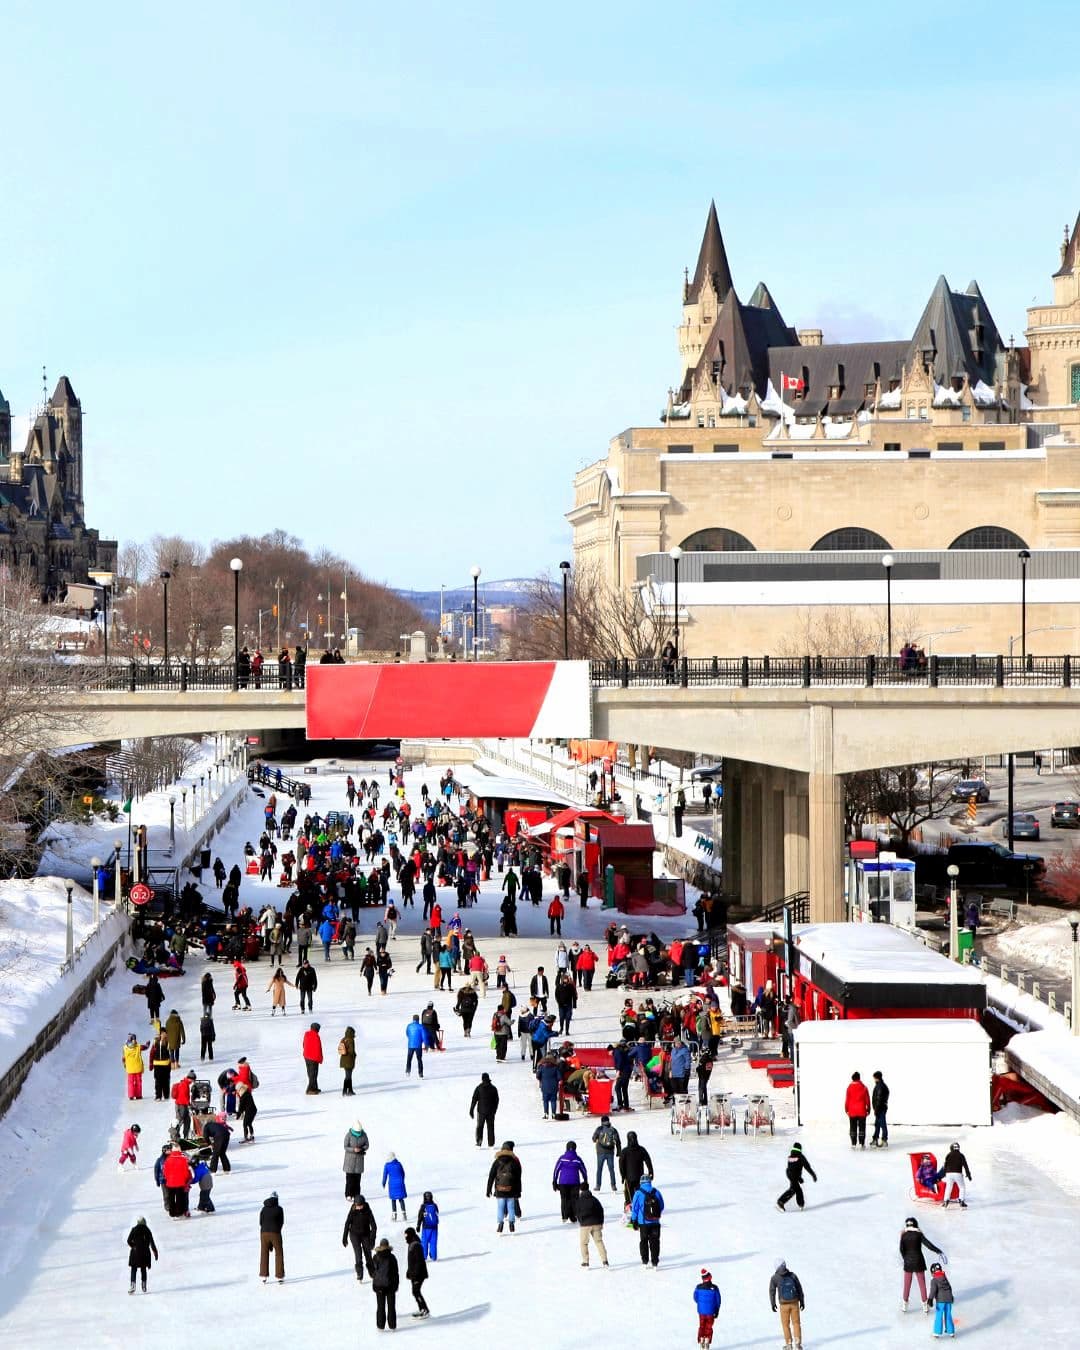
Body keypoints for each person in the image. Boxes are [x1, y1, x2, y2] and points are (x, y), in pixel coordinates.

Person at [900, 1216, 945, 1313]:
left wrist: (906, 1258)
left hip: (908, 1263)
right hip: (919, 1261)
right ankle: (925, 1305)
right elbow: (928, 1245)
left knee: (907, 1284)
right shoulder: (918, 1234)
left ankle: (904, 1305)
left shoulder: (903, 1235)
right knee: (922, 1284)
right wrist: (938, 1251)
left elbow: (901, 1250)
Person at [486, 1140, 522, 1233]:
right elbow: (518, 1178)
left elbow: (491, 1176)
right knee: (511, 1207)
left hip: (499, 1189)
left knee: (500, 1207)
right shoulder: (514, 1161)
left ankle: (500, 1225)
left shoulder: (497, 1161)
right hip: (511, 1189)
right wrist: (518, 1191)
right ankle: (511, 1224)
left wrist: (488, 1189)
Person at [769, 1259, 805, 1350]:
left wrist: (773, 1304)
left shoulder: (775, 1278)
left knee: (785, 1325)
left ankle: (789, 1345)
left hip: (783, 1304)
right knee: (796, 1323)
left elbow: (772, 1291)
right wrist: (802, 1301)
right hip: (794, 1303)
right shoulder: (793, 1275)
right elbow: (799, 1288)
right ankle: (798, 1344)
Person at [629, 1175, 664, 1267]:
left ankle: (645, 1261)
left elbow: (635, 1208)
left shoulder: (638, 1193)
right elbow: (662, 1205)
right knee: (655, 1241)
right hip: (655, 1222)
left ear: (641, 1182)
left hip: (643, 1223)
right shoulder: (656, 1191)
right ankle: (655, 1262)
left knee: (644, 1241)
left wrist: (633, 1220)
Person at [343, 1193, 378, 1281]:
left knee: (368, 1254)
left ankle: (372, 1271)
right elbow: (347, 1223)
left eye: (360, 1206)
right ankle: (359, 1273)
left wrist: (372, 1239)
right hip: (354, 1235)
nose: (358, 1207)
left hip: (365, 1234)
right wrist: (344, 1237)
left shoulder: (367, 1210)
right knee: (358, 1254)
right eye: (357, 1205)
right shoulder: (353, 1210)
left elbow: (374, 1226)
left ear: (363, 1204)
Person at [576, 1181, 608, 1268]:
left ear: (580, 1190)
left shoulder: (579, 1200)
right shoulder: (594, 1199)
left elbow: (577, 1213)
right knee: (599, 1242)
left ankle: (586, 1262)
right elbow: (601, 1210)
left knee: (584, 1243)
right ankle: (605, 1261)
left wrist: (581, 1221)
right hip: (596, 1223)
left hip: (585, 1225)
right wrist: (601, 1222)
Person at [553, 1141, 587, 1222]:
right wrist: (585, 1180)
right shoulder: (577, 1159)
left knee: (564, 1198)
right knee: (574, 1199)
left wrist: (554, 1181)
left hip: (563, 1182)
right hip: (575, 1182)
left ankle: (564, 1216)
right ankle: (573, 1216)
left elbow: (556, 1170)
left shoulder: (562, 1158)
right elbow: (583, 1170)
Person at [776, 1142, 817, 1212]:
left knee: (796, 1189)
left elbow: (793, 1168)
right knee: (795, 1190)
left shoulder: (790, 1156)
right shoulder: (801, 1156)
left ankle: (800, 1204)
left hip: (789, 1174)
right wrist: (813, 1175)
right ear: (800, 1149)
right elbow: (807, 1167)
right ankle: (781, 1202)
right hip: (793, 1175)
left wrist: (799, 1178)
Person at [371, 1237, 399, 1330]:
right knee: (391, 1307)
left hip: (379, 1286)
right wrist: (396, 1285)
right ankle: (392, 1325)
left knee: (380, 1306)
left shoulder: (375, 1257)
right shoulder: (392, 1257)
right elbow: (396, 1272)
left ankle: (380, 1325)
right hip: (390, 1286)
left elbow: (372, 1272)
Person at [619, 1130, 654, 1206]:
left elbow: (621, 1164)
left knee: (629, 1195)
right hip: (640, 1177)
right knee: (640, 1193)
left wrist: (622, 1175)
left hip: (629, 1178)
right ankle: (639, 1206)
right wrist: (651, 1172)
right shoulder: (641, 1149)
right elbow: (648, 1161)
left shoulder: (625, 1151)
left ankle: (630, 1206)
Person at [126, 1217, 158, 1294]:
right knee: (143, 1268)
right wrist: (155, 1252)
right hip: (145, 1252)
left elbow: (128, 1240)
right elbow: (152, 1242)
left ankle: (132, 1285)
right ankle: (144, 1285)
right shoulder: (147, 1230)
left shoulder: (134, 1229)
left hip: (135, 1253)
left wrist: (134, 1246)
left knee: (134, 1268)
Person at [404, 1226, 430, 1318]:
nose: (405, 1237)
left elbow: (419, 1262)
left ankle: (425, 1310)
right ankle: (422, 1309)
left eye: (406, 1235)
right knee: (415, 1292)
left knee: (416, 1291)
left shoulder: (415, 1245)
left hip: (419, 1274)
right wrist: (409, 1271)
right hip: (415, 1273)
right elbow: (412, 1261)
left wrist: (415, 1275)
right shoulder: (412, 1244)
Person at [259, 1191, 285, 1283]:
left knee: (264, 1253)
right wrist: (277, 1230)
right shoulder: (279, 1209)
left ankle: (263, 1276)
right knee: (279, 1253)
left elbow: (260, 1222)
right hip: (275, 1232)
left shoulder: (263, 1209)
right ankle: (279, 1276)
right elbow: (281, 1222)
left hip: (264, 1233)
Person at [591, 1115, 621, 1192]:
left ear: (601, 1122)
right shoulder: (613, 1130)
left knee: (599, 1169)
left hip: (600, 1152)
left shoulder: (599, 1129)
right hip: (610, 1152)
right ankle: (613, 1185)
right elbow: (618, 1141)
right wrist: (619, 1152)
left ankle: (598, 1186)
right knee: (611, 1169)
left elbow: (594, 1139)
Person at [470, 1072, 499, 1147]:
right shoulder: (493, 1088)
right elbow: (497, 1100)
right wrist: (494, 1110)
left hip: (481, 1112)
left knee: (480, 1127)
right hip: (491, 1112)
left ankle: (479, 1142)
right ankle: (491, 1144)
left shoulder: (479, 1088)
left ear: (482, 1079)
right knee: (490, 1127)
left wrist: (471, 1110)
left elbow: (474, 1099)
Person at [693, 1269, 721, 1348]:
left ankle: (701, 1340)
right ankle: (707, 1341)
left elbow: (695, 1298)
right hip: (711, 1312)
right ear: (710, 1277)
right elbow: (718, 1300)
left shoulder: (698, 1287)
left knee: (702, 1325)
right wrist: (717, 1310)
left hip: (701, 1311)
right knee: (709, 1326)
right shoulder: (715, 1288)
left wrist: (701, 1304)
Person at [939, 1142, 972, 1207]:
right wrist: (968, 1174)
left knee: (948, 1187)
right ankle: (961, 1201)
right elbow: (965, 1165)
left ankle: (946, 1201)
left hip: (949, 1174)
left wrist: (945, 1173)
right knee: (962, 1187)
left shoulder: (948, 1155)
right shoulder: (961, 1155)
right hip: (957, 1173)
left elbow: (945, 1165)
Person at [927, 1261, 955, 1338]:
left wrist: (930, 1299)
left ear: (933, 1272)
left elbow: (933, 1290)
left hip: (941, 1301)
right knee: (948, 1315)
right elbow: (949, 1287)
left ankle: (937, 1332)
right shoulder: (944, 1278)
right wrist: (951, 1296)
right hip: (948, 1300)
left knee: (939, 1316)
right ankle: (951, 1331)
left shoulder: (934, 1280)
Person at [162, 1145, 192, 1218]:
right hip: (180, 1182)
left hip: (170, 1183)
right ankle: (179, 1213)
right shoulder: (183, 1159)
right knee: (179, 1198)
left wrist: (168, 1178)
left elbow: (165, 1171)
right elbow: (186, 1172)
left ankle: (172, 1213)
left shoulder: (168, 1159)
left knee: (171, 1198)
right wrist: (185, 1179)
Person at [343, 1119, 370, 1198]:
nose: (358, 1133)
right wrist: (353, 1149)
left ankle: (356, 1195)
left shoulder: (364, 1135)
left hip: (359, 1161)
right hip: (349, 1161)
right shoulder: (348, 1135)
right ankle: (348, 1194)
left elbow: (367, 1145)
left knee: (357, 1180)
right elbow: (345, 1146)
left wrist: (361, 1149)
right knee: (349, 1180)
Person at [845, 1071, 871, 1148]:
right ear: (859, 1078)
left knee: (853, 1126)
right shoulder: (864, 1087)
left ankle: (853, 1143)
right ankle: (861, 1143)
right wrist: (868, 1109)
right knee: (862, 1127)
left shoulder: (849, 1087)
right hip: (862, 1111)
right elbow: (867, 1099)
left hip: (852, 1111)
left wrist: (846, 1109)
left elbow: (847, 1099)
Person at [122, 1034, 149, 1101]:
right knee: (138, 1082)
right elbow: (146, 1047)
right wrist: (147, 1043)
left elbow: (123, 1058)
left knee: (130, 1082)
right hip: (138, 1068)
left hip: (130, 1068)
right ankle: (138, 1095)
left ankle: (131, 1095)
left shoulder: (125, 1048)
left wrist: (125, 1065)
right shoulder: (138, 1047)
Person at [382, 1152, 408, 1220]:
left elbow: (385, 1175)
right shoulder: (399, 1164)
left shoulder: (387, 1165)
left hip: (392, 1185)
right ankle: (404, 1214)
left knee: (393, 1200)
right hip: (400, 1184)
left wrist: (383, 1183)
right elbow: (403, 1173)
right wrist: (401, 1180)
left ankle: (394, 1216)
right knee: (401, 1199)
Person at [171, 1070, 195, 1137]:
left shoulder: (185, 1083)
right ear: (190, 1079)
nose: (192, 1082)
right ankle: (174, 1136)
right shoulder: (184, 1085)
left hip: (183, 1105)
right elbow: (183, 1097)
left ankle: (186, 1135)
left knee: (187, 1120)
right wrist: (189, 1105)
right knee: (179, 1121)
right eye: (193, 1081)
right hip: (180, 1106)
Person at [416, 1191, 439, 1261]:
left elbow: (420, 1217)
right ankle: (434, 1256)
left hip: (426, 1227)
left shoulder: (423, 1206)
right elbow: (437, 1213)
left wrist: (418, 1226)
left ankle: (424, 1257)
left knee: (424, 1242)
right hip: (434, 1227)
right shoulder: (435, 1205)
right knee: (433, 1242)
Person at [870, 1069, 890, 1147]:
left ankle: (884, 1140)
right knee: (877, 1124)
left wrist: (876, 1109)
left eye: (874, 1078)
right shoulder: (883, 1085)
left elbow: (879, 1099)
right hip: (882, 1107)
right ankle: (875, 1139)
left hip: (880, 1109)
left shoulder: (879, 1086)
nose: (874, 1079)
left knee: (882, 1124)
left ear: (876, 1077)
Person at [303, 1021, 324, 1094]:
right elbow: (318, 1048)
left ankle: (314, 1088)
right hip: (313, 1058)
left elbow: (303, 1044)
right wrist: (320, 1058)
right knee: (313, 1074)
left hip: (306, 1057)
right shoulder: (316, 1036)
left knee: (310, 1073)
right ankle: (309, 1090)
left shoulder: (306, 1034)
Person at [339, 1025, 357, 1095]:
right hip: (349, 1060)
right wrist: (354, 1055)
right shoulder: (351, 1039)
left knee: (348, 1076)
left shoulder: (343, 1039)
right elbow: (352, 1051)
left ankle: (349, 1090)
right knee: (348, 1076)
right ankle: (346, 1091)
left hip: (343, 1059)